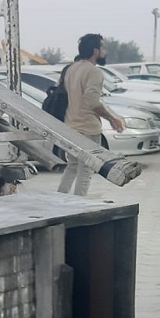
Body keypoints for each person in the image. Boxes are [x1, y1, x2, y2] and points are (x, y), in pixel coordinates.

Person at [57, 33, 125, 197]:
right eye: (103, 48)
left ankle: (60, 198)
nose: (105, 51)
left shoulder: (72, 69)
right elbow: (92, 101)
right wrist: (112, 118)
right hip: (87, 127)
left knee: (72, 165)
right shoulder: (94, 72)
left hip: (70, 125)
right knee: (86, 168)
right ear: (95, 51)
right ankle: (78, 203)